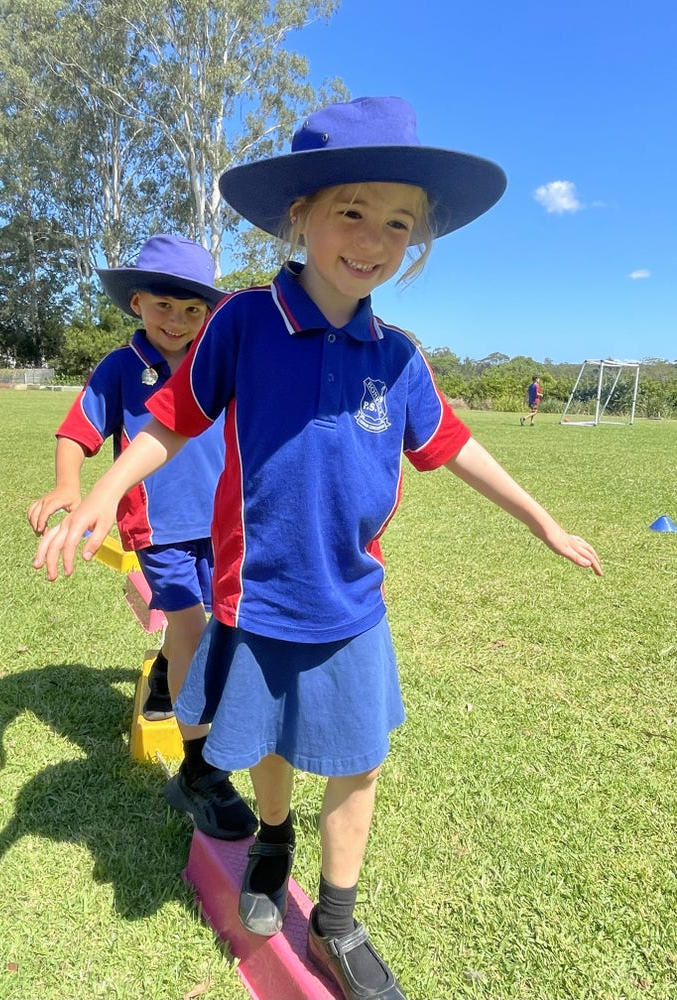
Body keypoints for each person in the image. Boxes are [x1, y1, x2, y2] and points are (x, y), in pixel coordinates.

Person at [32, 98, 603, 1000]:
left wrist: (541, 519)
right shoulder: (245, 323)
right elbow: (173, 418)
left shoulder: (399, 355)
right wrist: (100, 488)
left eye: (399, 222)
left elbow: (454, 447)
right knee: (265, 742)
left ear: (415, 244)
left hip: (351, 600)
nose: (374, 238)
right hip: (255, 595)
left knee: (358, 757)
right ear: (299, 215)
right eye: (352, 210)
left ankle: (336, 917)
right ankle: (272, 838)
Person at [27, 235, 256, 841]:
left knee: (224, 630)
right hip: (159, 531)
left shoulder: (223, 362)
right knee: (190, 627)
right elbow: (77, 430)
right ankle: (201, 772)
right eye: (162, 306)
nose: (176, 321)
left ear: (208, 313)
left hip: (226, 523)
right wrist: (67, 485)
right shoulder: (120, 368)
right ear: (136, 303)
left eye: (191, 311)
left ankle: (165, 673)